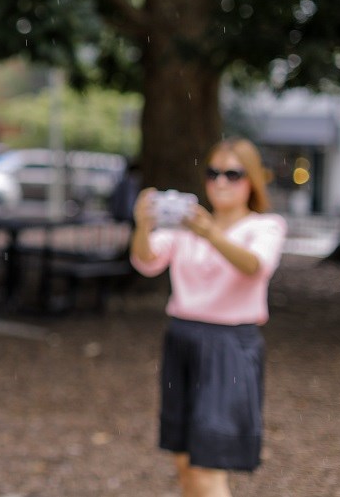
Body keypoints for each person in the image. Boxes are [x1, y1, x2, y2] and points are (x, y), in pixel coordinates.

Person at [130, 138, 286, 497]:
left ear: (253, 181)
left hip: (230, 346)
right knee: (184, 462)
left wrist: (211, 234)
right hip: (182, 340)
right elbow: (147, 260)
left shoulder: (265, 226)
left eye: (233, 173)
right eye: (214, 172)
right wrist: (142, 226)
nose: (220, 182)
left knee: (208, 466)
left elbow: (254, 267)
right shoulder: (189, 225)